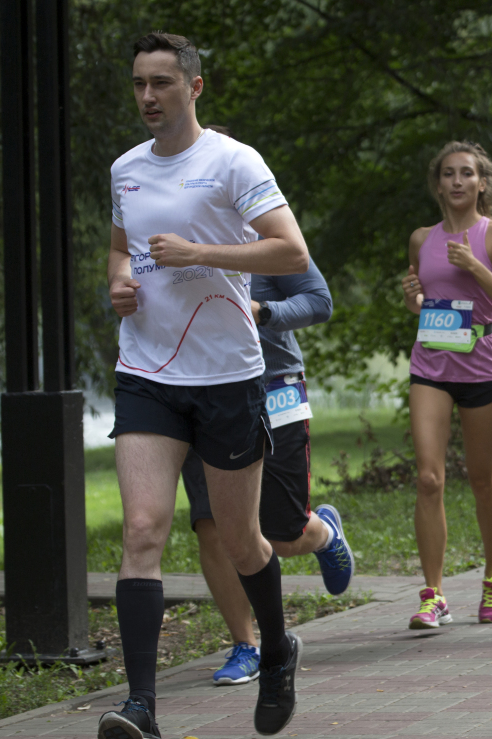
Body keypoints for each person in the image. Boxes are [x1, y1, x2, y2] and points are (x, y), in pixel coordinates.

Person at [100, 32, 310, 739]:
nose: (148, 97)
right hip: (148, 373)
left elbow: (291, 251)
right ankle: (141, 705)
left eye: (162, 82)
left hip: (226, 375)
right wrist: (119, 282)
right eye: (138, 84)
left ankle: (277, 650)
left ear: (194, 87)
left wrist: (201, 254)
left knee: (241, 538)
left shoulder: (233, 160)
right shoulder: (126, 169)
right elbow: (122, 245)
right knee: (144, 531)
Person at [181, 125, 352, 687]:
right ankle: (245, 644)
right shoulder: (174, 236)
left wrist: (264, 312)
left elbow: (319, 300)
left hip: (274, 381)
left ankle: (323, 532)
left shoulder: (268, 231)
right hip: (195, 387)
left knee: (276, 530)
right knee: (211, 524)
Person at [400, 142, 492, 629]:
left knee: (481, 478)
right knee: (429, 477)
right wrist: (413, 299)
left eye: (466, 174)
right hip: (430, 366)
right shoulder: (421, 238)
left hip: (480, 368)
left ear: (482, 183)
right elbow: (423, 304)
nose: (457, 181)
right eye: (448, 174)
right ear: (438, 184)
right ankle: (432, 594)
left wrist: (475, 266)